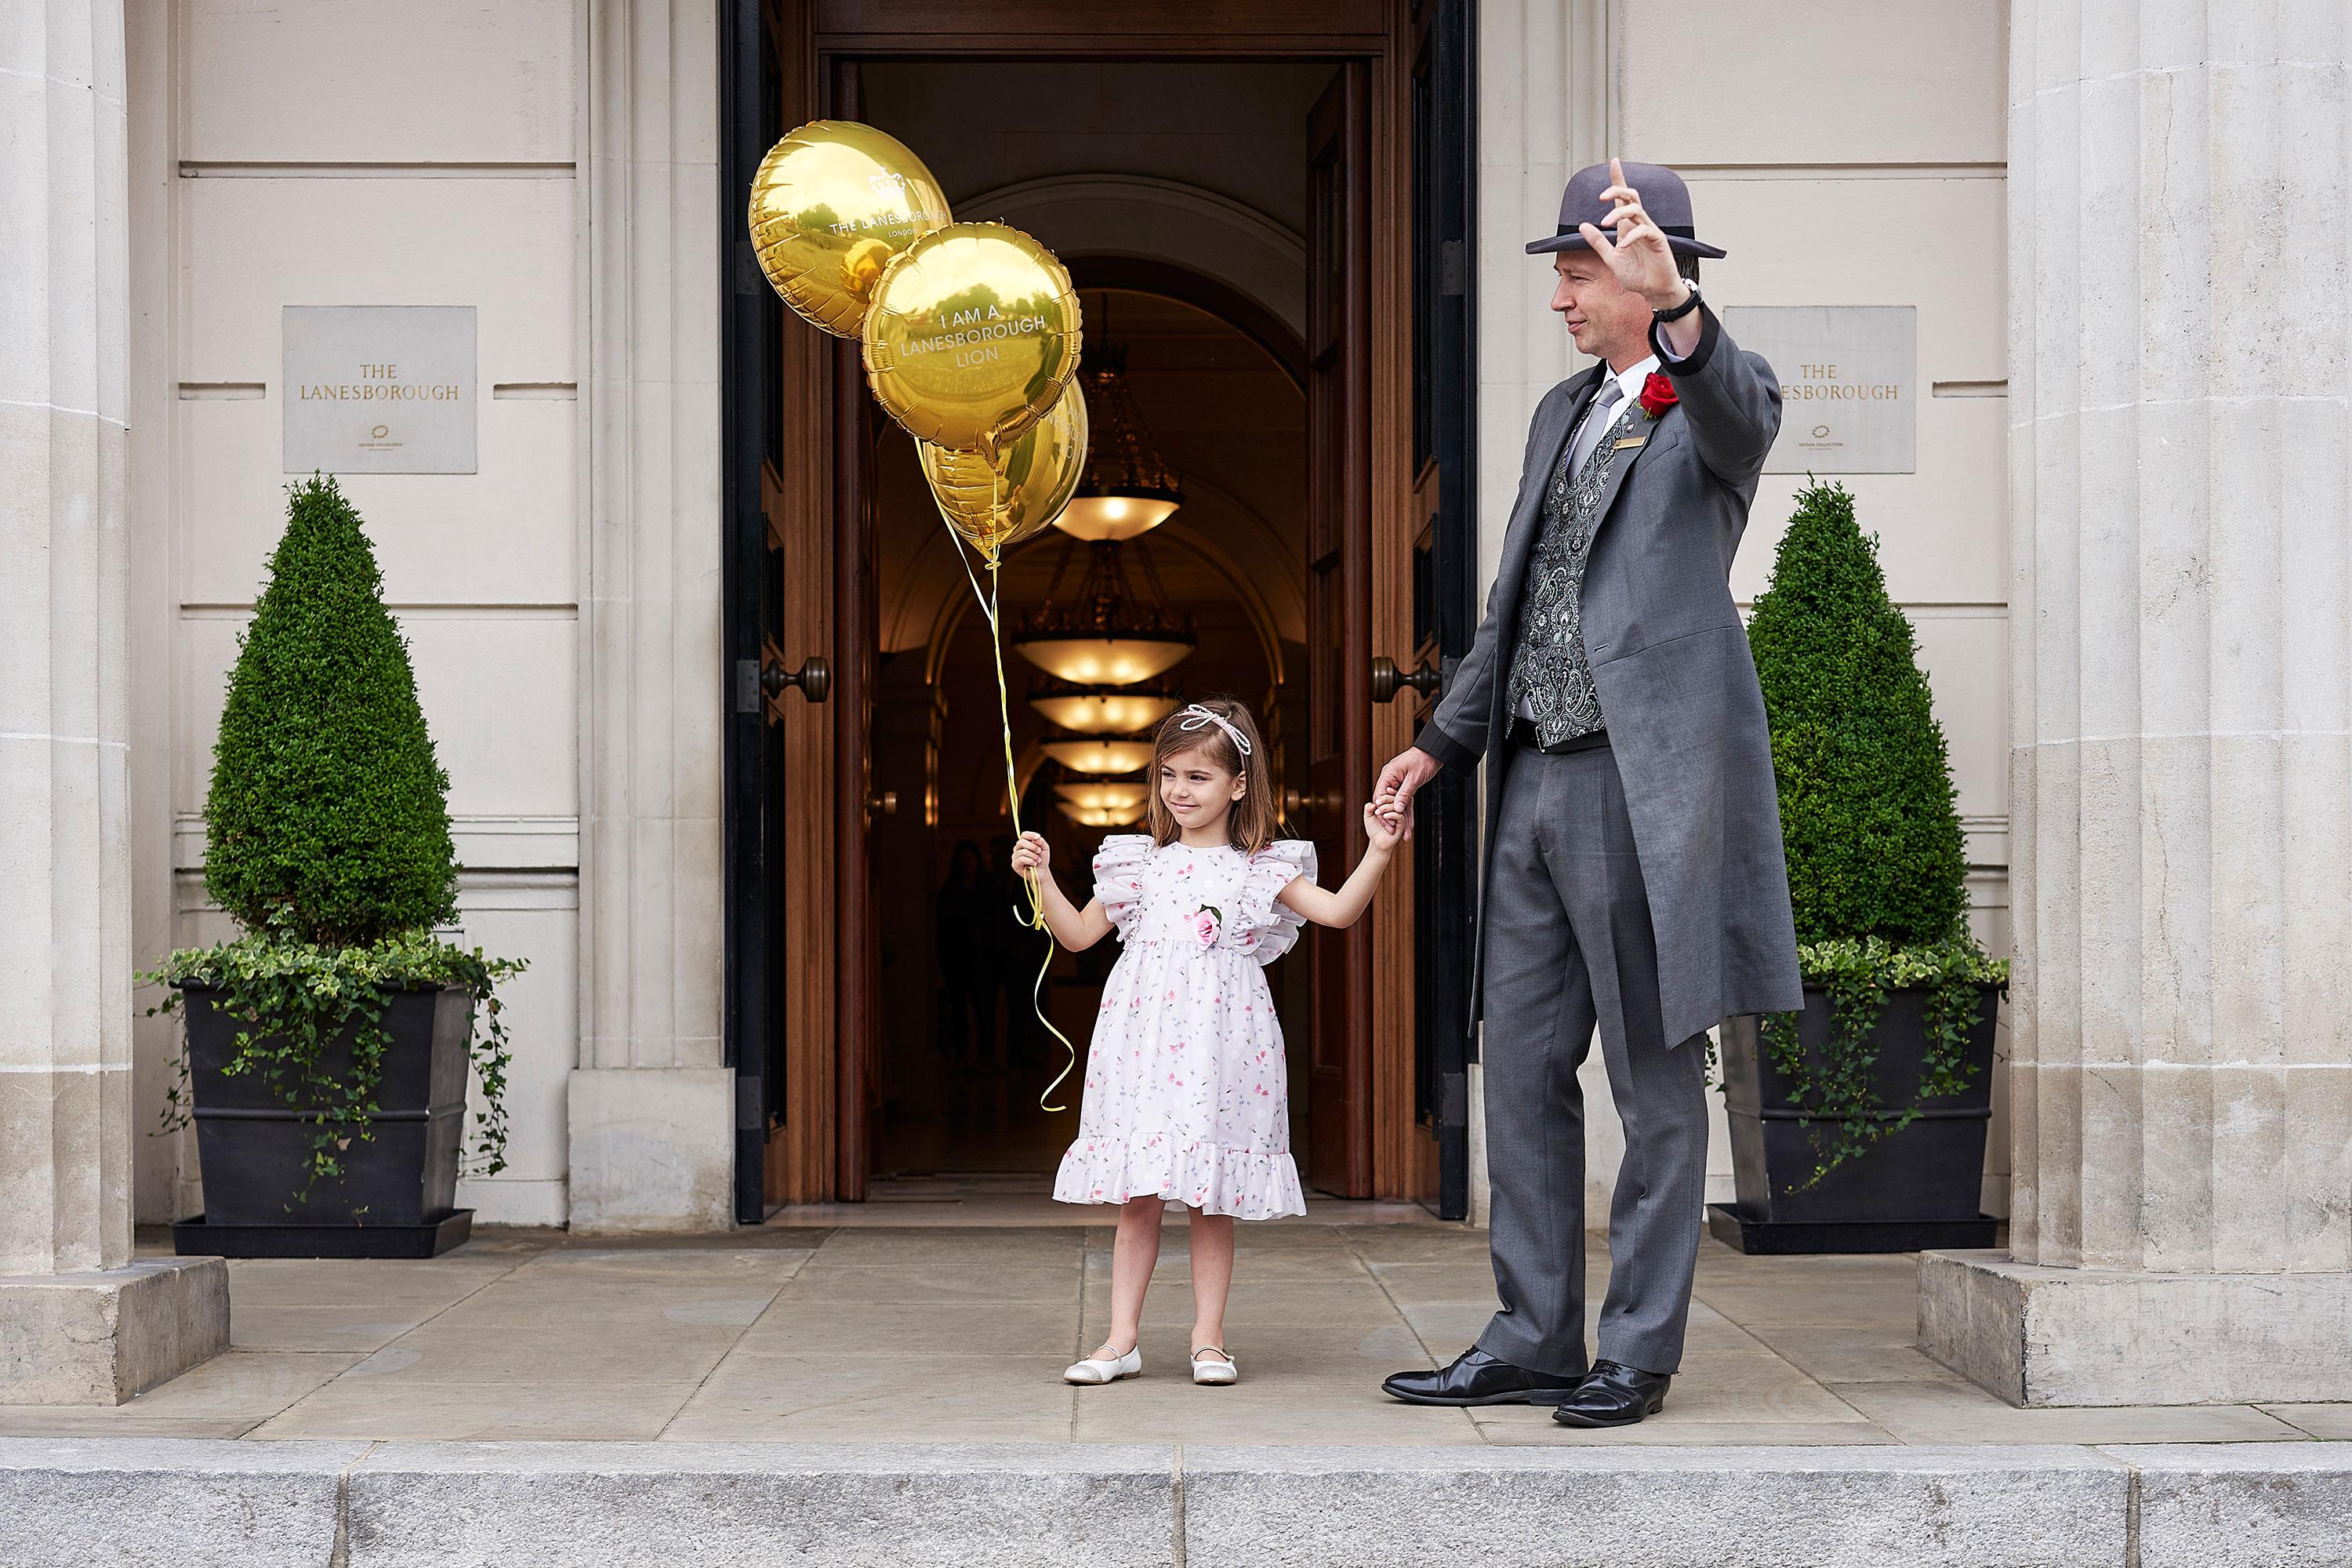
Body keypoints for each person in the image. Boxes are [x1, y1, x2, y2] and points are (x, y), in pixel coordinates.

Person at [1373, 159, 1802, 1428]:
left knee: (1655, 1079)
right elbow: (1514, 608)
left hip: (1639, 784)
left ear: (1639, 274)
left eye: (1574, 269)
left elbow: (1745, 412)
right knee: (1519, 1068)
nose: (1559, 294)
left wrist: (1684, 313)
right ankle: (1532, 1333)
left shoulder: (1712, 403)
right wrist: (1439, 746)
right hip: (1532, 780)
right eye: (1563, 270)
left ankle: (1639, 1348)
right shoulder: (1561, 410)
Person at [1011, 697, 1402, 1388]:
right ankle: (1120, 1339)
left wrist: (1379, 849)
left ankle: (1209, 1340)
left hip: (1224, 1046)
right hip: (1145, 1042)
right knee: (1138, 1196)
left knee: (1210, 1194)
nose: (1179, 791)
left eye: (1198, 777)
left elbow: (1339, 913)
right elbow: (1077, 936)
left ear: (1238, 785)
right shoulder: (1138, 865)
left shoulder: (1258, 869)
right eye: (1168, 776)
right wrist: (1041, 875)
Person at [934, 839, 998, 1073]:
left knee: (984, 1011)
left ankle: (986, 1059)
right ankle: (961, 1057)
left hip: (983, 961)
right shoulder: (949, 890)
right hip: (956, 960)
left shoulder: (987, 888)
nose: (966, 864)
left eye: (970, 859)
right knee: (958, 1010)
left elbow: (996, 923)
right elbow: (941, 925)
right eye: (962, 860)